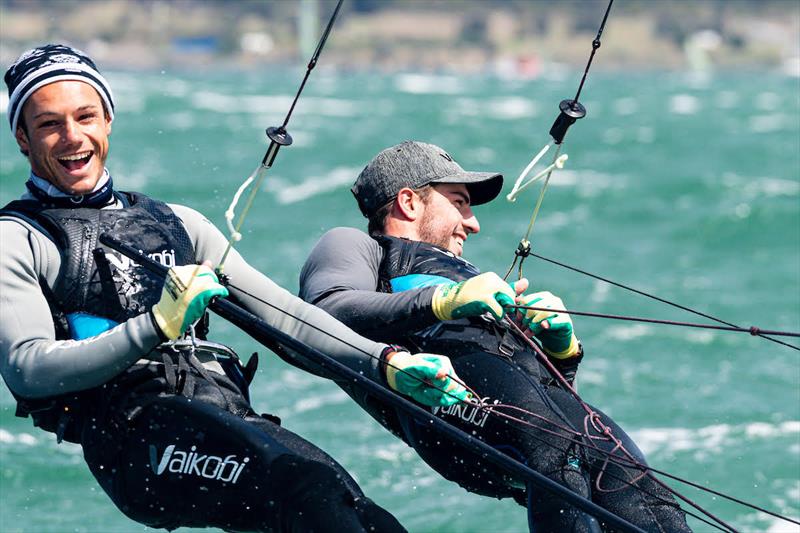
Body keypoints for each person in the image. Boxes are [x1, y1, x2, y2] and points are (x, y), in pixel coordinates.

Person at [0, 45, 470, 533]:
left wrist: (386, 363)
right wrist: (157, 324)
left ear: (108, 120)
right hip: (136, 440)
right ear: (22, 137)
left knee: (360, 514)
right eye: (50, 124)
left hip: (223, 414)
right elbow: (28, 367)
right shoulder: (19, 238)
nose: (73, 137)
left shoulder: (178, 223)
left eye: (86, 116)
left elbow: (283, 318)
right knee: (305, 494)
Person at [299, 140, 693, 532]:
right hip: (446, 405)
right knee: (558, 447)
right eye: (459, 201)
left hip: (528, 420)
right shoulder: (361, 246)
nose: (473, 223)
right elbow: (325, 313)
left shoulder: (464, 275)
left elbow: (540, 391)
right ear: (409, 202)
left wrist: (561, 350)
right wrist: (447, 299)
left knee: (629, 471)